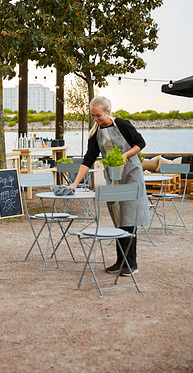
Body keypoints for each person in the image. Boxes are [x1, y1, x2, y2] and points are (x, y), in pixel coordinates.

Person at [69, 95, 150, 277]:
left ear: (108, 111)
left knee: (129, 219)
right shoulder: (95, 133)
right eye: (93, 116)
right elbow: (89, 159)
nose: (96, 119)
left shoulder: (122, 124)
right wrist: (75, 183)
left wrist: (124, 156)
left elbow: (141, 143)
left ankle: (131, 263)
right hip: (113, 178)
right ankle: (120, 261)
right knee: (118, 218)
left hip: (131, 175)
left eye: (98, 115)